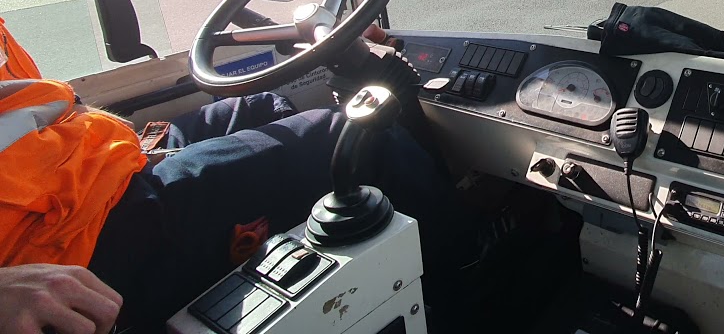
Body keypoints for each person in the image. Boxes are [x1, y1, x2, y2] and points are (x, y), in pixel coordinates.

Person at [0, 22, 474, 333]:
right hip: (76, 233)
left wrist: (104, 134)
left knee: (266, 108)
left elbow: (32, 106)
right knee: (347, 137)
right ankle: (465, 272)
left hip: (90, 164)